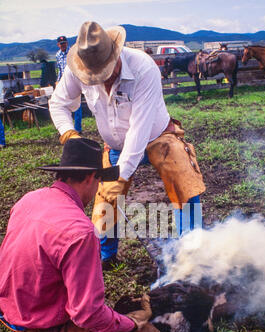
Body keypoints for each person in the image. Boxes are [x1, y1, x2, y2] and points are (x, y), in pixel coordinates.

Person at [0, 138, 172, 332]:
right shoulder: (80, 232)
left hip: (10, 314)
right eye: (100, 180)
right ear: (91, 178)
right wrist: (128, 324)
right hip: (39, 327)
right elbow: (88, 315)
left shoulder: (29, 199)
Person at [49, 22, 205, 268]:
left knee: (184, 180)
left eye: (107, 72)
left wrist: (119, 177)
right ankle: (105, 257)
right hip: (115, 145)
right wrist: (69, 133)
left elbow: (138, 130)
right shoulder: (78, 69)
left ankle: (193, 252)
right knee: (105, 201)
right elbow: (58, 103)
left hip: (157, 136)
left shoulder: (144, 68)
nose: (103, 79)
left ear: (116, 54)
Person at [56, 35, 82, 133]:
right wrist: (58, 81)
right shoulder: (58, 55)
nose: (63, 45)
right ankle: (67, 128)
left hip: (74, 79)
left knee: (76, 104)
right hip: (63, 81)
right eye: (61, 44)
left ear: (67, 43)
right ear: (58, 45)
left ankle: (78, 128)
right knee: (64, 103)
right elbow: (59, 69)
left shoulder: (73, 52)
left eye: (65, 43)